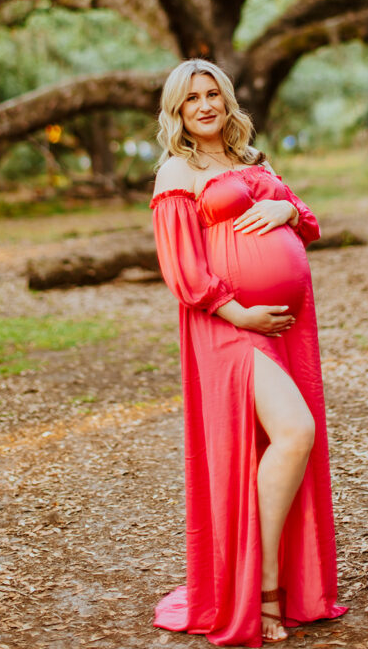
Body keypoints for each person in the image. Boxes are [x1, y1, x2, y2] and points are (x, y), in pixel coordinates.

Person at [150, 59, 347, 647]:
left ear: (227, 100)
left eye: (213, 94)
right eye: (192, 99)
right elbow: (181, 267)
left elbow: (308, 220)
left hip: (281, 328)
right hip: (229, 327)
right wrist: (240, 312)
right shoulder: (177, 172)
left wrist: (286, 208)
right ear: (178, 112)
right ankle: (260, 590)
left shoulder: (253, 161)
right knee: (294, 432)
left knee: (287, 440)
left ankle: (281, 581)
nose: (205, 105)